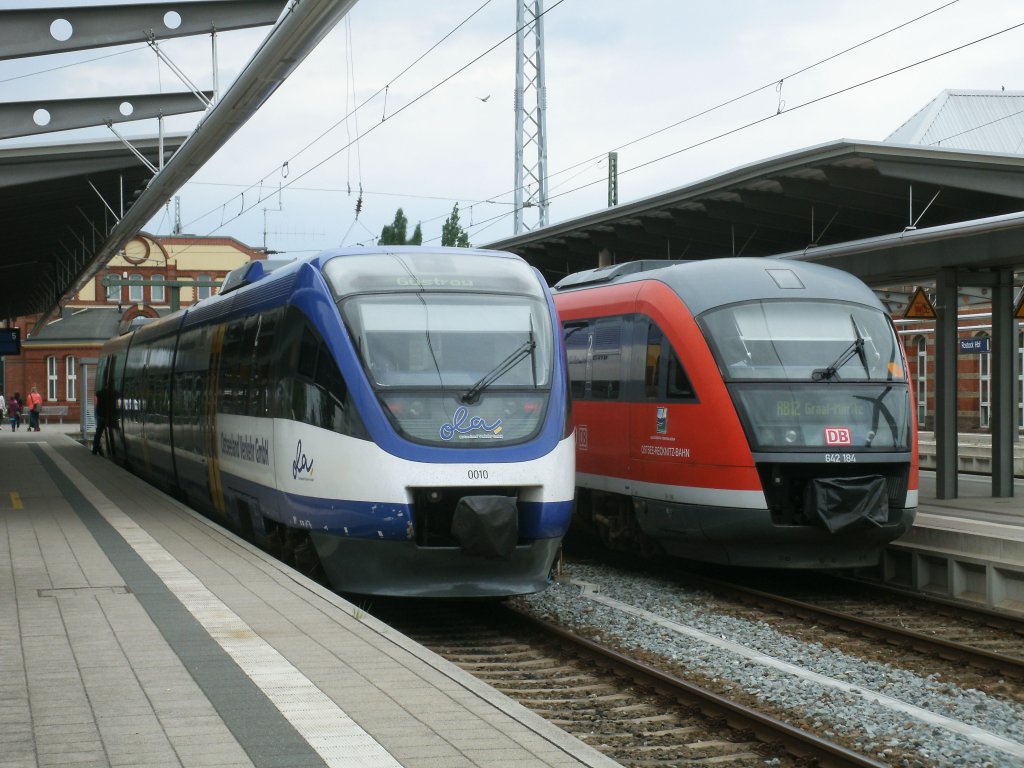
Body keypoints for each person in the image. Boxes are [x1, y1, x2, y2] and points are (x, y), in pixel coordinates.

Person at [92, 386, 109, 455]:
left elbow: (95, 404)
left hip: (100, 416)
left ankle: (95, 450)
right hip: (108, 417)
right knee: (114, 431)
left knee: (98, 434)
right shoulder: (112, 394)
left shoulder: (98, 393)